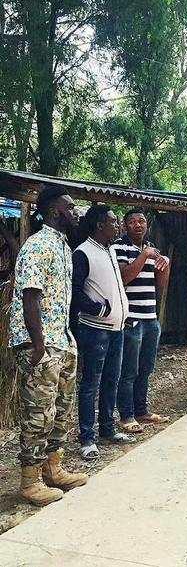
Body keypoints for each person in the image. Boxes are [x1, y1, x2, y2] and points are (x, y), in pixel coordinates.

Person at [9, 186, 88, 506]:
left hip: (61, 340)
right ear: (55, 211)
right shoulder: (38, 245)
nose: (76, 211)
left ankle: (53, 471)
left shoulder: (63, 246)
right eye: (70, 207)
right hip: (40, 343)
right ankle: (29, 483)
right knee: (38, 414)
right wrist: (38, 345)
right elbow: (30, 295)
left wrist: (65, 341)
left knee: (61, 411)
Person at [72, 205, 134, 461]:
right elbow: (74, 291)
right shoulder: (83, 253)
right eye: (113, 221)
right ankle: (87, 437)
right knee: (90, 383)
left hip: (117, 328)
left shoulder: (109, 250)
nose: (117, 225)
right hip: (95, 329)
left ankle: (107, 428)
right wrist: (97, 308)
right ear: (100, 225)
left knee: (112, 380)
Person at [112, 209, 170, 435]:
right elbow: (124, 277)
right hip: (131, 319)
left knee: (146, 368)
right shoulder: (119, 247)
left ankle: (141, 410)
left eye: (142, 221)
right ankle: (126, 416)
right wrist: (144, 256)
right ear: (125, 225)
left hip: (151, 318)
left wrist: (165, 262)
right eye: (133, 222)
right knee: (129, 370)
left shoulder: (152, 248)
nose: (138, 225)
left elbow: (160, 283)